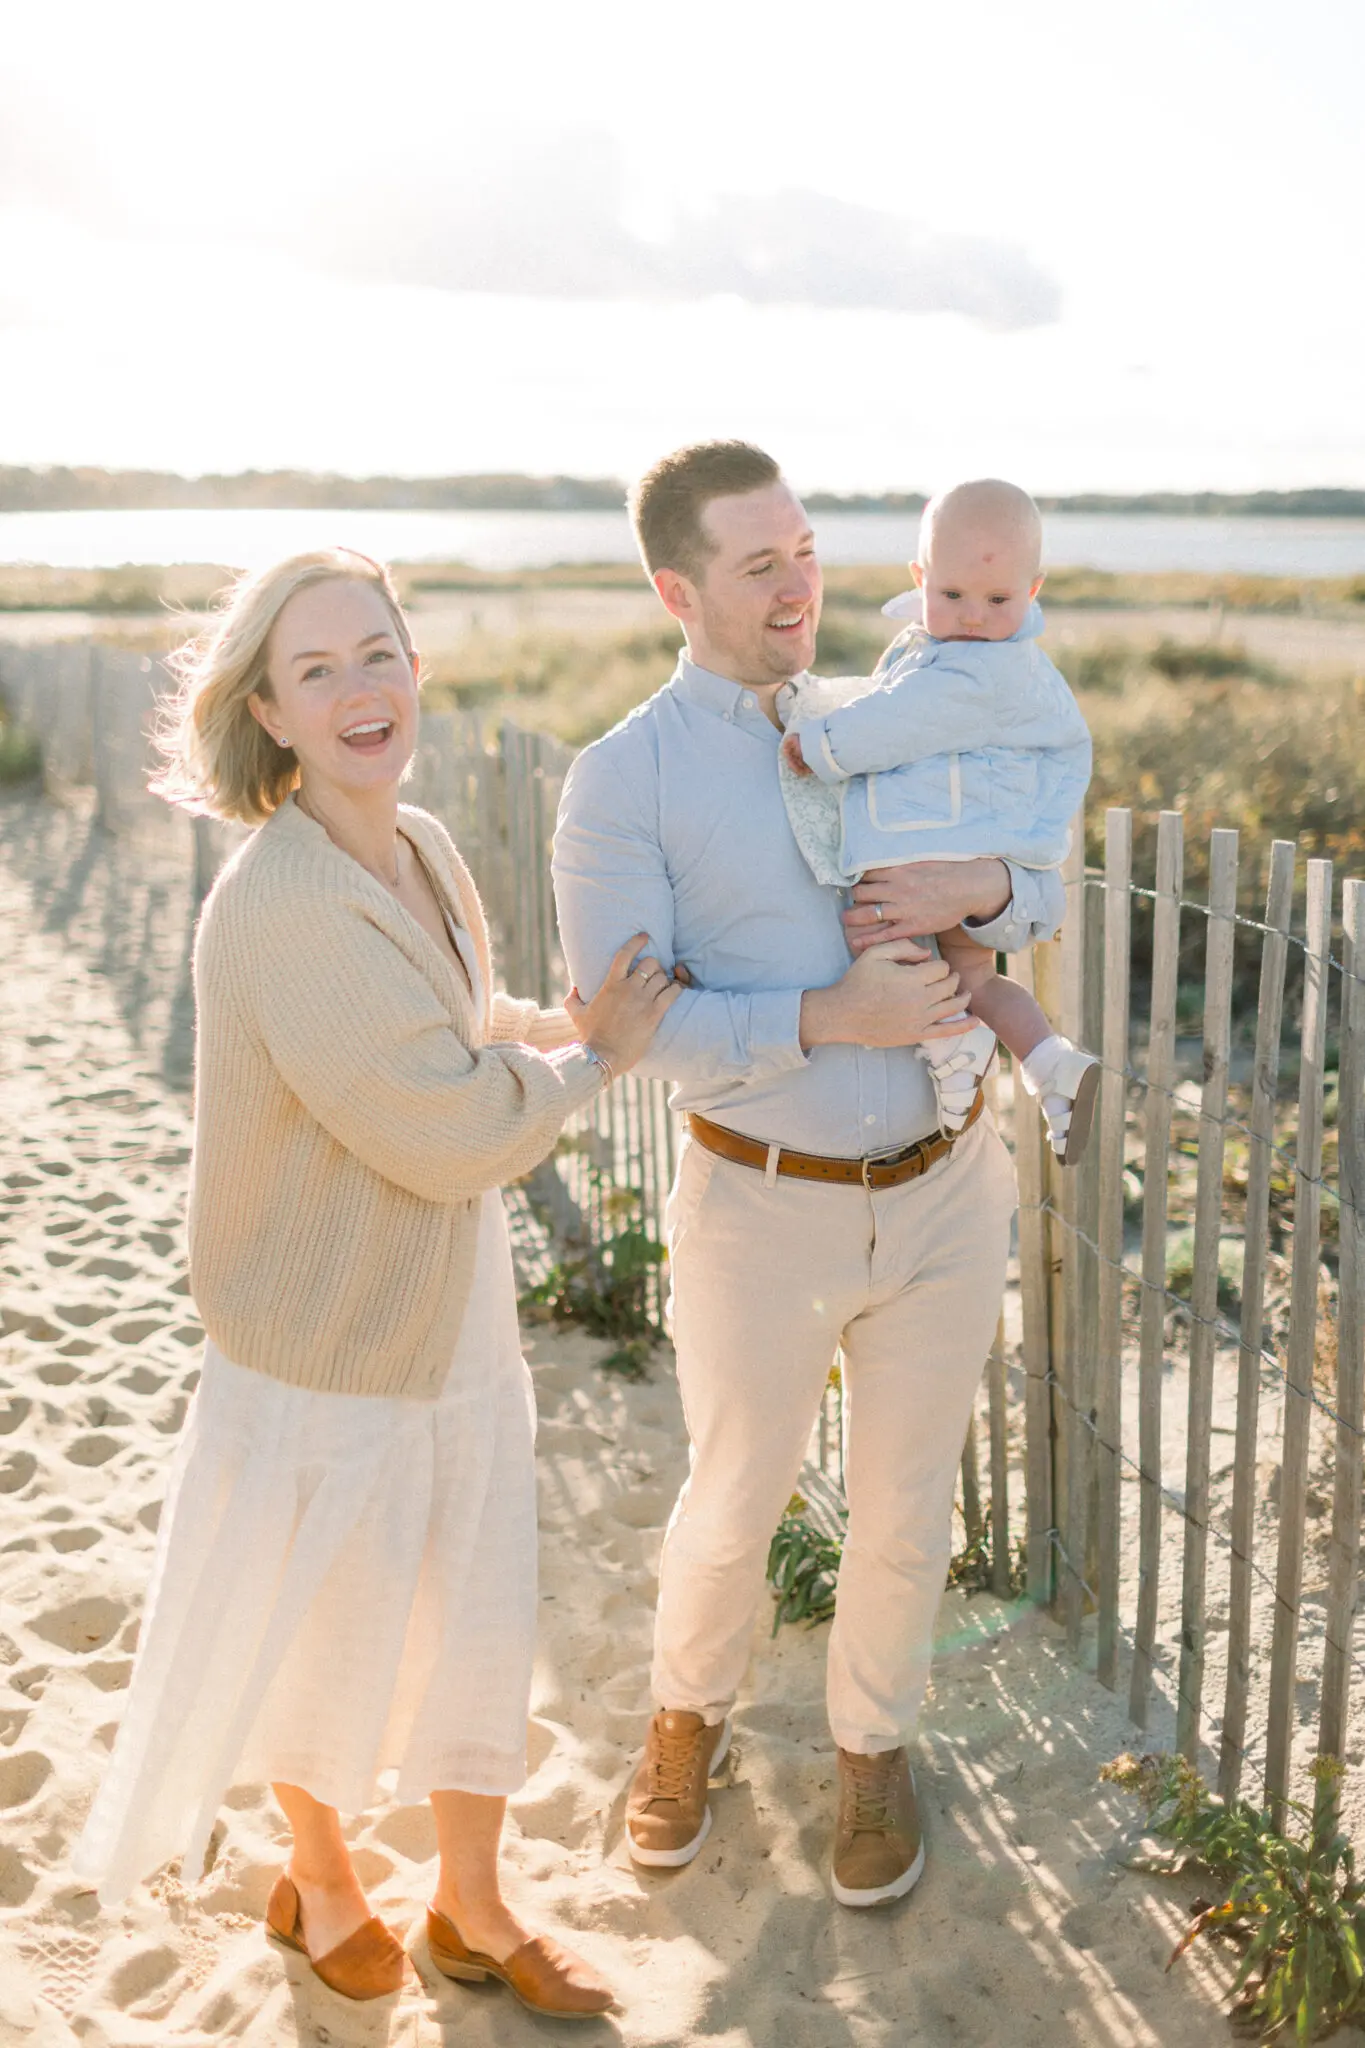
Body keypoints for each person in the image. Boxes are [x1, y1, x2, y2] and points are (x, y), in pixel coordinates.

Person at [70, 548, 678, 2015]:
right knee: (325, 1624)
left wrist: (561, 1019)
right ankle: (322, 1880)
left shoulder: (415, 845)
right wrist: (596, 1060)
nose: (360, 690)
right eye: (317, 670)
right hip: (322, 1335)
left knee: (476, 1603)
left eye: (379, 653)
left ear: (419, 663)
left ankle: (470, 1906)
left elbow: (459, 1030)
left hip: (449, 1314)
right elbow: (452, 1121)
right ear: (267, 712)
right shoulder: (281, 904)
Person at [552, 442, 1059, 1910]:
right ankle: (684, 1722)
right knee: (736, 1493)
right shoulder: (622, 780)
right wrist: (833, 1018)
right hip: (759, 1203)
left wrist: (990, 893)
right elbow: (631, 1032)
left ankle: (871, 1749)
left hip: (948, 1187)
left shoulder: (884, 711)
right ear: (677, 588)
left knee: (906, 1505)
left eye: (807, 548)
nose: (798, 584)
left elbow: (1037, 854)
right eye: (758, 562)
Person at [780, 477, 1098, 1163]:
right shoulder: (952, 647)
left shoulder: (981, 668)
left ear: (1032, 592)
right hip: (961, 837)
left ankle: (951, 1049)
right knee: (975, 978)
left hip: (942, 844)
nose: (974, 616)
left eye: (997, 600)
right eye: (951, 595)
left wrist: (821, 746)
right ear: (919, 577)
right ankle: (1047, 1062)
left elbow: (900, 721)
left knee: (876, 929)